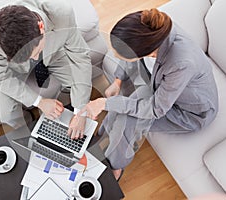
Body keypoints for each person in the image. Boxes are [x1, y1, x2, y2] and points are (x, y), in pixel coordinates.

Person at [79, 8, 218, 180]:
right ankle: (100, 137)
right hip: (163, 86)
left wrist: (104, 104)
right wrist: (118, 81)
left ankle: (115, 166)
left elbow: (155, 109)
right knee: (120, 102)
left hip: (189, 112)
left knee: (127, 119)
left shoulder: (181, 63)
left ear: (149, 52)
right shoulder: (150, 30)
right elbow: (132, 54)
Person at [0, 0, 93, 138]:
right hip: (13, 69)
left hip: (52, 54)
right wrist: (39, 102)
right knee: (3, 113)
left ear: (41, 26)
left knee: (78, 84)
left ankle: (69, 115)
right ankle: (30, 124)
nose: (34, 59)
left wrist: (81, 111)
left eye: (36, 52)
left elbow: (80, 58)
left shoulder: (62, 12)